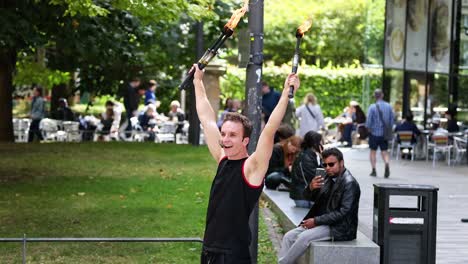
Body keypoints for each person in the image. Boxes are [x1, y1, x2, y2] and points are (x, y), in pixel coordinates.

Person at [192, 64, 300, 264]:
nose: (225, 139)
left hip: (232, 256)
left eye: (232, 135)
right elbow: (206, 119)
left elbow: (269, 129)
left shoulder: (251, 168)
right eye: (223, 133)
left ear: (245, 141)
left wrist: (286, 93)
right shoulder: (223, 158)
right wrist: (198, 81)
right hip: (209, 251)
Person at [279, 148, 361, 264]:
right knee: (289, 236)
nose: (327, 168)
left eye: (331, 164)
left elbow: (343, 212)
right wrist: (311, 188)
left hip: (339, 227)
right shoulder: (327, 177)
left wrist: (316, 221)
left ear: (341, 163)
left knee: (304, 238)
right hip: (323, 221)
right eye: (325, 164)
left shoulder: (349, 183)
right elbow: (309, 198)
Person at [289, 131, 323, 208]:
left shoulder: (309, 155)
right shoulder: (306, 157)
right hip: (303, 198)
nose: (322, 144)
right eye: (321, 141)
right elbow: (319, 177)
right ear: (315, 144)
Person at [366, 89, 394, 178]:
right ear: (382, 95)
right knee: (384, 151)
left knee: (373, 152)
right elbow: (391, 121)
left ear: (375, 96)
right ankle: (386, 163)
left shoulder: (372, 107)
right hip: (384, 134)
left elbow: (369, 121)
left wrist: (369, 129)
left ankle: (374, 170)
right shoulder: (388, 106)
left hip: (374, 133)